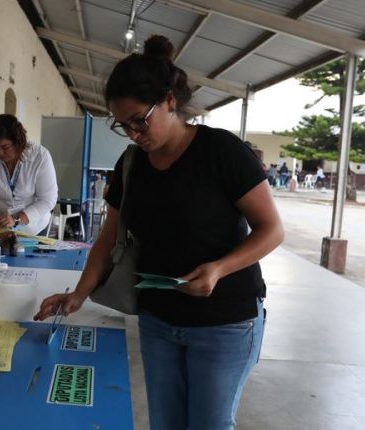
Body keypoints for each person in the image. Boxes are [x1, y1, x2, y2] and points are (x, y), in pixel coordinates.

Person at [34, 35, 284, 430]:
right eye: (123, 125)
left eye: (140, 120)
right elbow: (108, 237)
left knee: (208, 424)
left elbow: (271, 230)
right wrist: (78, 294)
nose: (133, 133)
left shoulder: (221, 152)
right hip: (158, 321)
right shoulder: (133, 163)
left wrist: (219, 268)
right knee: (165, 423)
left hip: (225, 320)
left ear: (170, 101)